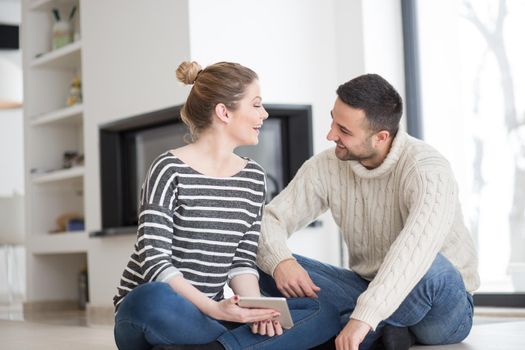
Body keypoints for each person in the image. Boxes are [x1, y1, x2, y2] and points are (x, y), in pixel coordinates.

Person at [113, 61, 340, 350]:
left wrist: (255, 309)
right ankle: (232, 344)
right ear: (224, 112)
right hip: (162, 312)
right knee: (151, 297)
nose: (264, 114)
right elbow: (155, 261)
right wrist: (215, 309)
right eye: (256, 105)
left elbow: (241, 262)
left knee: (324, 311)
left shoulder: (253, 178)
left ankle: (216, 347)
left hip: (208, 317)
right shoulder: (168, 168)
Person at [256, 73, 480, 350]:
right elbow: (269, 219)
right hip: (367, 287)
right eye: (333, 121)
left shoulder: (427, 169)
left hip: (442, 306)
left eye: (344, 131)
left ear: (381, 137)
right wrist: (281, 262)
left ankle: (360, 327)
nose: (330, 135)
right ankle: (384, 330)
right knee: (264, 259)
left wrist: (364, 317)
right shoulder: (326, 166)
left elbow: (415, 253)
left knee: (432, 268)